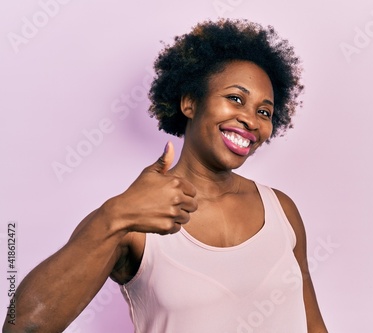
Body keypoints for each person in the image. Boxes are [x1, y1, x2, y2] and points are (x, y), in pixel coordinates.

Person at [3, 19, 328, 332]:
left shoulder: (282, 209)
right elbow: (25, 327)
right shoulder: (134, 220)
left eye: (264, 112)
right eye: (235, 99)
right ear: (189, 102)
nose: (250, 120)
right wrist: (116, 216)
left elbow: (312, 325)